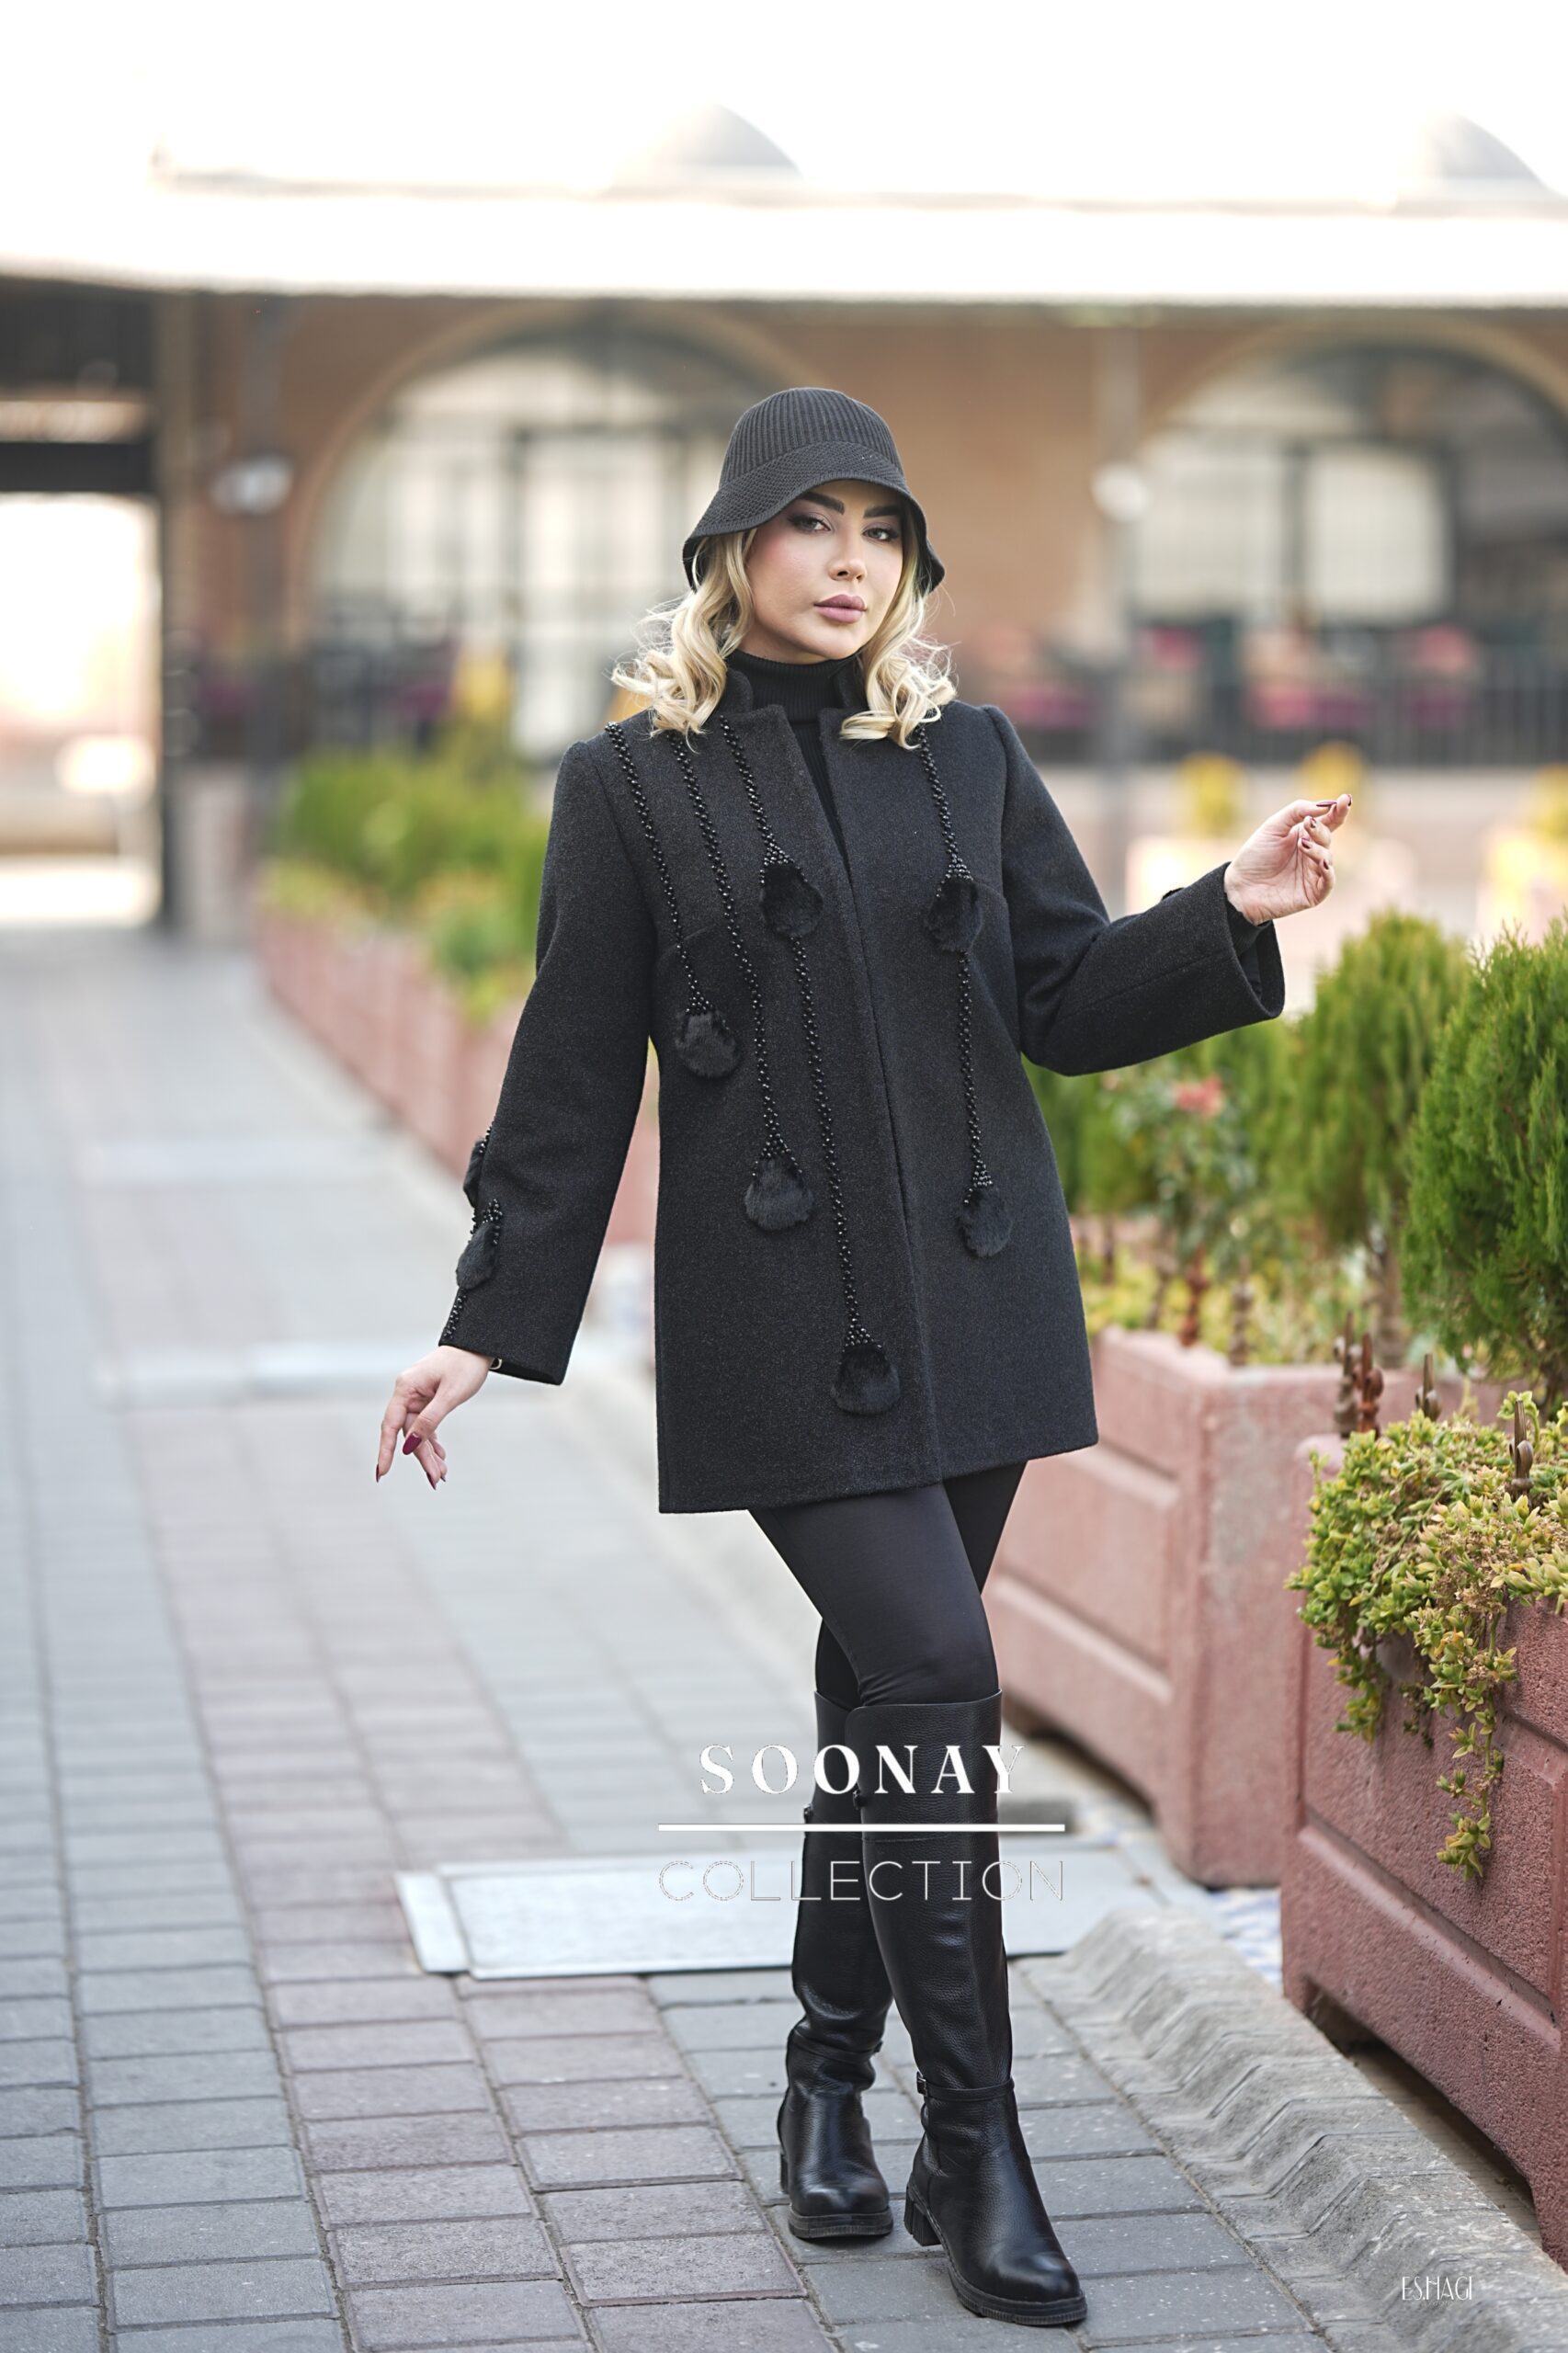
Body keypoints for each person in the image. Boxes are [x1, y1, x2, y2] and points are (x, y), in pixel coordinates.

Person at [375, 388, 1347, 2329]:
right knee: (934, 1674)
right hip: (777, 1325)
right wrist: (487, 1317)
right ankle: (972, 2146)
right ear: (732, 550)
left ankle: (825, 2078)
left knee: (882, 1701)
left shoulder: (966, 755)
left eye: (879, 529)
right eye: (809, 523)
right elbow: (570, 1067)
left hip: (982, 1302)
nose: (847, 561)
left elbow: (1060, 997)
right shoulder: (632, 784)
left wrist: (1223, 912)